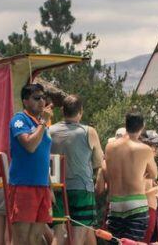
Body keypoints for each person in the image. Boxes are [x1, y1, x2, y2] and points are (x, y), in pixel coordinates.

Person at [50, 94, 104, 245]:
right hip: (82, 190)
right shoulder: (88, 131)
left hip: (57, 189)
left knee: (58, 235)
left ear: (62, 110)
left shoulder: (49, 131)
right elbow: (98, 162)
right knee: (78, 239)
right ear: (81, 111)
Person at [8, 83, 55, 245]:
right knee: (21, 239)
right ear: (25, 101)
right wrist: (43, 124)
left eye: (44, 98)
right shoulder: (19, 120)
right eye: (37, 98)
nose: (42, 101)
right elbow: (30, 146)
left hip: (41, 186)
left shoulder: (40, 124)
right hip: (23, 186)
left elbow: (43, 157)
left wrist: (50, 187)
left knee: (35, 239)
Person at [104, 112, 158, 241]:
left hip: (115, 203)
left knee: (117, 243)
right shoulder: (144, 149)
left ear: (125, 125)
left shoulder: (110, 147)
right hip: (136, 203)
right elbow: (154, 174)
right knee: (133, 243)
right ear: (142, 127)